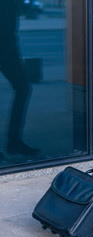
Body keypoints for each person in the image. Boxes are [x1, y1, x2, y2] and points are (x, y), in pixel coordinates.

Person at [0, 0, 40, 157]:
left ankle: (14, 141)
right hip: (6, 43)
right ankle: (14, 141)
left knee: (23, 88)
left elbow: (20, 8)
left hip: (8, 43)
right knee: (23, 88)